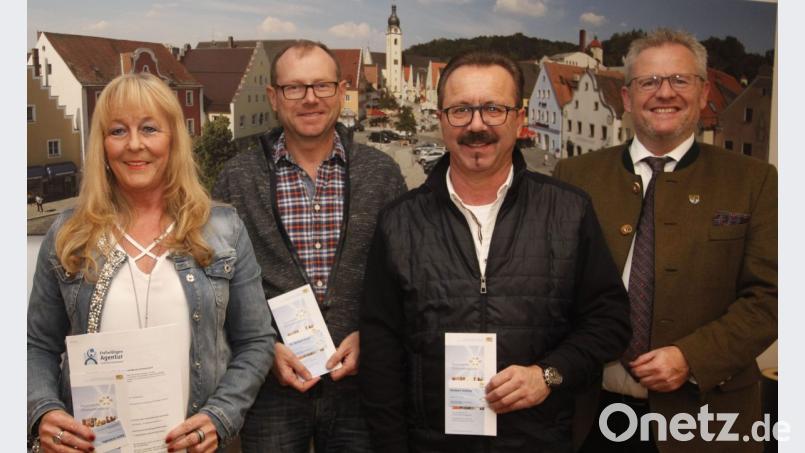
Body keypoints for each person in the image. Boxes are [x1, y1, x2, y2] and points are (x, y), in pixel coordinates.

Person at [359, 50, 631, 452]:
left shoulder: (569, 211)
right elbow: (381, 351)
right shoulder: (398, 222)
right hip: (431, 444)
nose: (476, 125)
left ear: (518, 119)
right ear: (440, 120)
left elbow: (610, 322)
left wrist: (549, 374)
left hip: (540, 441)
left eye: (493, 109)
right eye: (461, 110)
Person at [554, 28, 777, 453]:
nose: (664, 93)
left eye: (679, 80)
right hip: (590, 416)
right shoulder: (575, 176)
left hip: (706, 422)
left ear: (703, 90)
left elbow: (773, 296)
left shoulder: (755, 181)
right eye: (649, 81)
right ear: (626, 96)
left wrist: (692, 358)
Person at [27, 73, 276, 453]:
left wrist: (220, 416)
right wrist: (43, 412)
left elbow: (256, 342)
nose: (134, 145)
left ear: (173, 139)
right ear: (102, 145)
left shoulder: (223, 230)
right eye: (117, 131)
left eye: (149, 129)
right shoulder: (69, 233)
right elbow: (37, 345)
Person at [213, 40, 406, 452]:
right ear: (273, 97)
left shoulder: (383, 174)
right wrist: (264, 349)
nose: (310, 99)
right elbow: (216, 286)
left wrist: (371, 338)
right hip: (271, 390)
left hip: (361, 387)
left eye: (321, 86)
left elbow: (404, 279)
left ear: (339, 91)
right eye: (294, 88)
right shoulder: (236, 179)